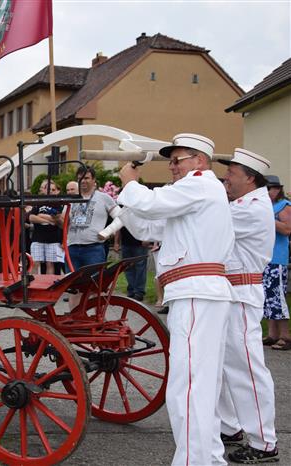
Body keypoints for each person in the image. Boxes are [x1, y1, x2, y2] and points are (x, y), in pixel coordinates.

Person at [117, 133, 236, 466]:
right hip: (197, 293)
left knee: (188, 387)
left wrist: (130, 182)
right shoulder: (194, 197)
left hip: (197, 292)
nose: (171, 167)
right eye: (170, 161)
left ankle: (192, 462)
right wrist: (122, 202)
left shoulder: (200, 184)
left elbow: (152, 204)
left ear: (199, 161)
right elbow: (149, 229)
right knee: (202, 385)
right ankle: (208, 459)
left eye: (176, 160)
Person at [216, 148, 279, 463]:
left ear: (250, 177)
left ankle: (264, 442)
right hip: (233, 291)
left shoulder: (251, 207)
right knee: (226, 365)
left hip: (241, 293)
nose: (227, 176)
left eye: (232, 171)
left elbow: (210, 223)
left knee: (246, 368)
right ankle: (231, 426)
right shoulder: (245, 203)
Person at [66, 165, 116, 271]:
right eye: (80, 178)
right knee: (71, 284)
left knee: (94, 283)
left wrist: (108, 232)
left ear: (94, 180)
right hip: (72, 248)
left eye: (86, 178)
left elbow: (121, 217)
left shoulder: (103, 198)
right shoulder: (71, 199)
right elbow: (64, 223)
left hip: (94, 249)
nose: (83, 181)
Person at [262, 174, 291, 351]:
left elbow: (288, 229)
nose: (267, 192)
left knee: (277, 297)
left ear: (277, 189)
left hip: (278, 259)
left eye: (270, 189)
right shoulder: (268, 206)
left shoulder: (284, 206)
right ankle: (273, 334)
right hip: (266, 258)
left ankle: (285, 335)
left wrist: (268, 219)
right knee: (268, 298)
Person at [28, 178, 64, 274]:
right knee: (34, 262)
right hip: (37, 238)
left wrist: (41, 215)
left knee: (50, 264)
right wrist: (47, 219)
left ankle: (48, 284)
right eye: (48, 189)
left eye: (53, 190)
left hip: (53, 239)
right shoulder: (39, 202)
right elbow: (31, 217)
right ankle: (33, 283)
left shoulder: (58, 204)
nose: (50, 192)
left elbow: (59, 219)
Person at [116, 226, 148, 301]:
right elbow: (118, 226)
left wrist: (146, 238)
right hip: (125, 243)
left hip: (140, 243)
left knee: (140, 268)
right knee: (127, 268)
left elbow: (147, 222)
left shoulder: (140, 213)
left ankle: (139, 292)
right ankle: (132, 290)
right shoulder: (122, 213)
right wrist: (116, 242)